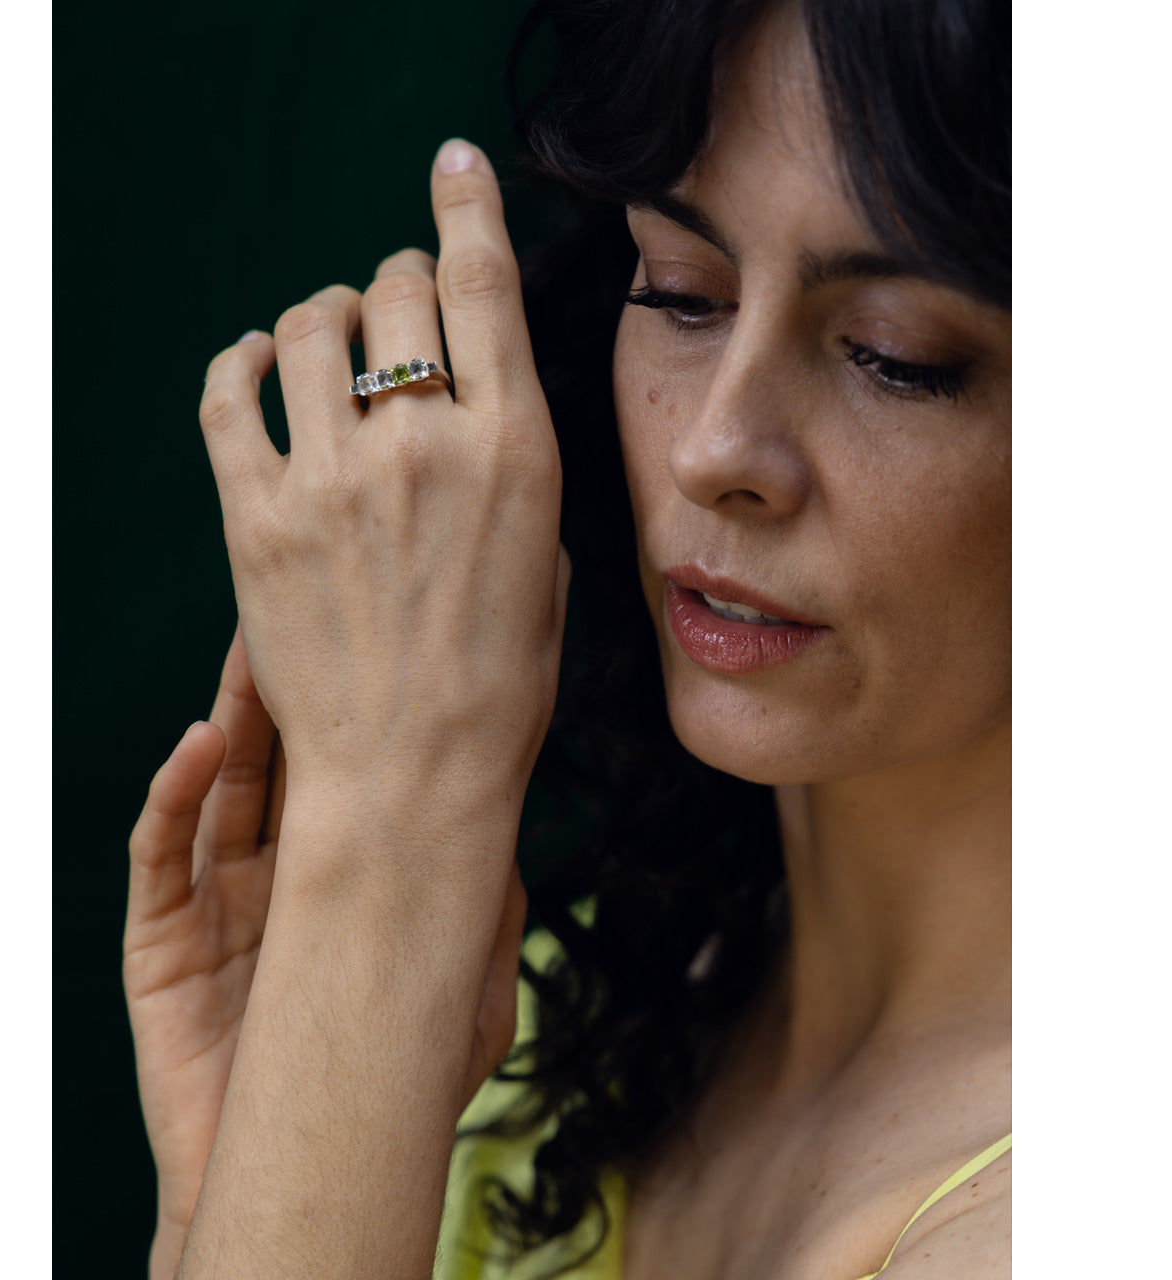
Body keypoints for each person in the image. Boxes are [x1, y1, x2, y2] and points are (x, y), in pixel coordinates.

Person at [123, 0, 1011, 1275]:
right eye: (683, 293)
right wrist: (260, 1167)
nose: (711, 447)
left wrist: (388, 837)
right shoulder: (548, 1028)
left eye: (894, 358)